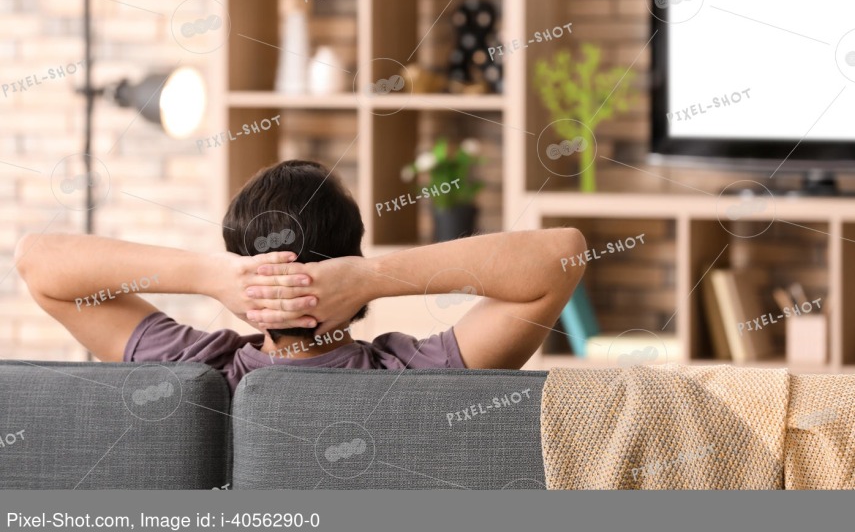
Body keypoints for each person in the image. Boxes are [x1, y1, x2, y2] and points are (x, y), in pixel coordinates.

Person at [15, 160, 586, 391]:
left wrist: (209, 275)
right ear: (348, 253)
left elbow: (36, 263)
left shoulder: (197, 370)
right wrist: (373, 278)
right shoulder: (415, 375)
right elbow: (563, 255)